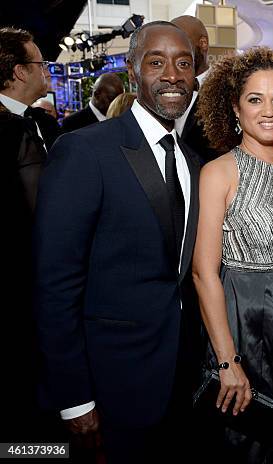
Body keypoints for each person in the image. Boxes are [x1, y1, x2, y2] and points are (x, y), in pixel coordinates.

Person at [34, 21, 202, 462]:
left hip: (182, 380)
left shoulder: (193, 161)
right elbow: (55, 283)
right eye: (156, 62)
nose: (172, 75)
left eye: (183, 63)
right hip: (112, 383)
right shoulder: (84, 150)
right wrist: (73, 396)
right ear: (132, 70)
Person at [192, 46, 273, 463]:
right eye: (255, 99)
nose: (269, 110)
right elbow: (203, 273)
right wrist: (227, 360)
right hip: (250, 322)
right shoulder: (219, 172)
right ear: (235, 107)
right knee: (255, 439)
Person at [0, 26, 56, 442]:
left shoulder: (37, 121)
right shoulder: (5, 132)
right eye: (39, 62)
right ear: (19, 72)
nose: (46, 69)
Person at [171, 14, 217, 165]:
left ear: (203, 43)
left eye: (181, 42)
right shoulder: (165, 88)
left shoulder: (228, 90)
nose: (175, 50)